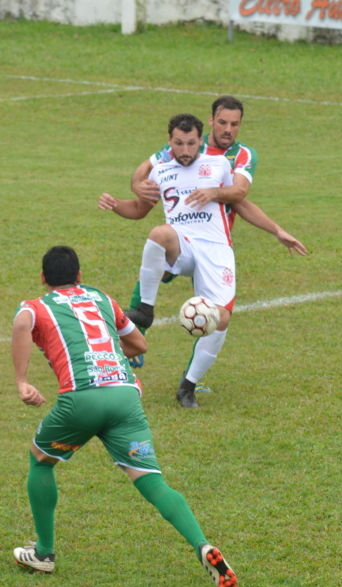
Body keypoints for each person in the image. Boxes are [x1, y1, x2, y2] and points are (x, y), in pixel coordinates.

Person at [10, 245, 237, 587]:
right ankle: (202, 544)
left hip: (81, 399)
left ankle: (44, 552)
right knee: (151, 479)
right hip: (126, 397)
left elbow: (23, 323)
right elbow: (138, 345)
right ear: (80, 276)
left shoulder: (36, 306)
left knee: (40, 460)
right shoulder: (100, 298)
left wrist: (22, 381)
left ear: (43, 279)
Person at [98, 110, 304, 408]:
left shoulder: (218, 165)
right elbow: (140, 209)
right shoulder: (161, 169)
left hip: (216, 250)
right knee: (159, 233)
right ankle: (144, 311)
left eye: (191, 144)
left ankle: (187, 386)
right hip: (182, 246)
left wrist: (277, 231)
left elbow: (241, 202)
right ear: (169, 142)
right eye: (179, 144)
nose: (185, 151)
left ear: (200, 142)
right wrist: (116, 205)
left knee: (221, 319)